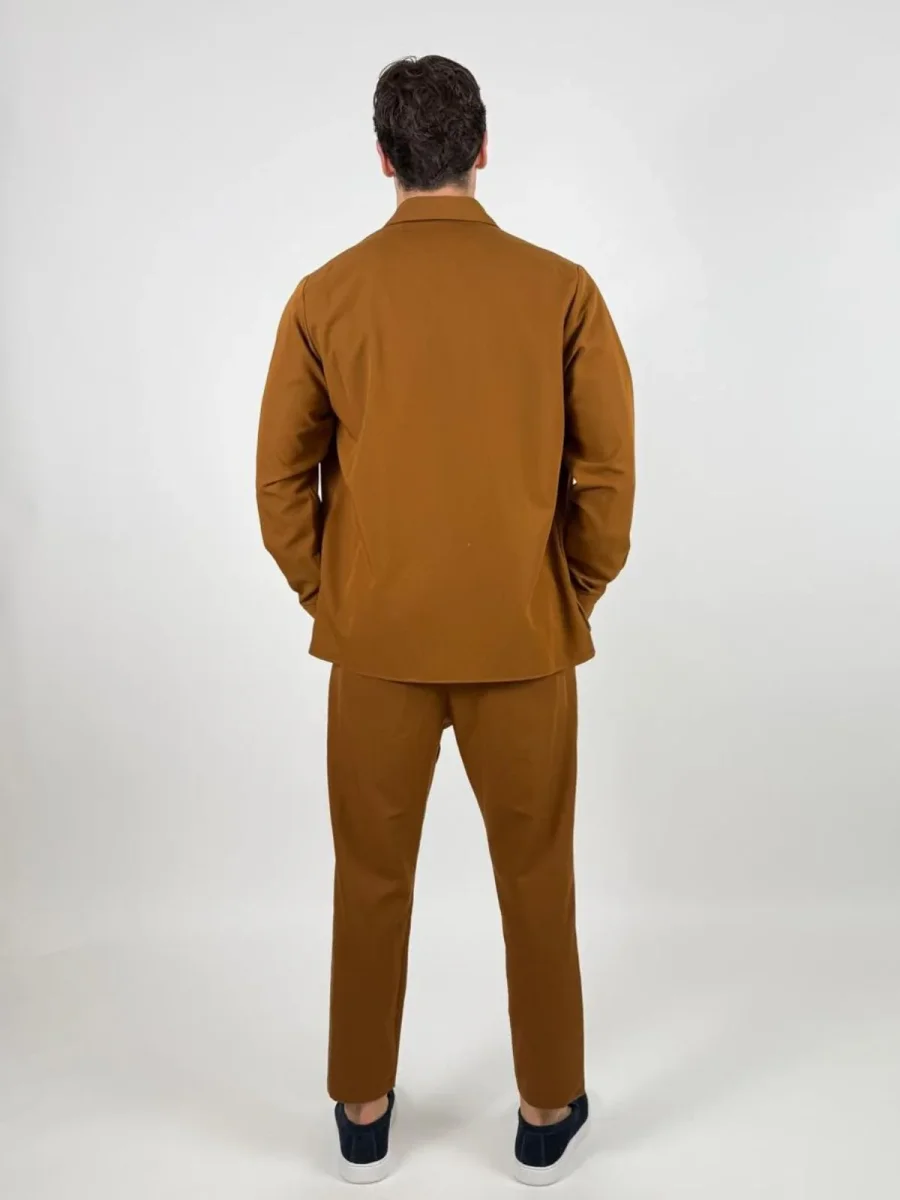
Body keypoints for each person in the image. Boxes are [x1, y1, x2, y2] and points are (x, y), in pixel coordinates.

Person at [256, 54, 635, 1187]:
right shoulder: (561, 290)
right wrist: (567, 591)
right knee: (538, 874)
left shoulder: (326, 296)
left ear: (384, 158)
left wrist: (334, 595)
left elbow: (281, 482)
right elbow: (608, 479)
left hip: (377, 645)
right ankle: (546, 1110)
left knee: (370, 875)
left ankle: (363, 1112)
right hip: (522, 638)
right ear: (481, 149)